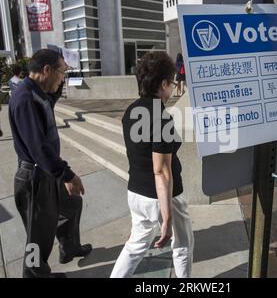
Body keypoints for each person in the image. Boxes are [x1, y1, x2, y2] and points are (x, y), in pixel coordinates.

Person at [8, 49, 92, 278]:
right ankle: (35, 275)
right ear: (46, 70)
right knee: (37, 238)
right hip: (34, 179)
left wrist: (59, 83)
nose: (63, 77)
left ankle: (70, 247)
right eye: (61, 72)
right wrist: (67, 175)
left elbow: (50, 100)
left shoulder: (38, 92)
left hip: (47, 172)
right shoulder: (25, 97)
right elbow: (38, 148)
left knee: (73, 204)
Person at [110, 51, 194, 278]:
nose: (172, 88)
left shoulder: (131, 111)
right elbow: (162, 171)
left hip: (136, 192)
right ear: (164, 83)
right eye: (172, 82)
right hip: (165, 196)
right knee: (182, 243)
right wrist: (166, 218)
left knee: (135, 245)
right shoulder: (161, 117)